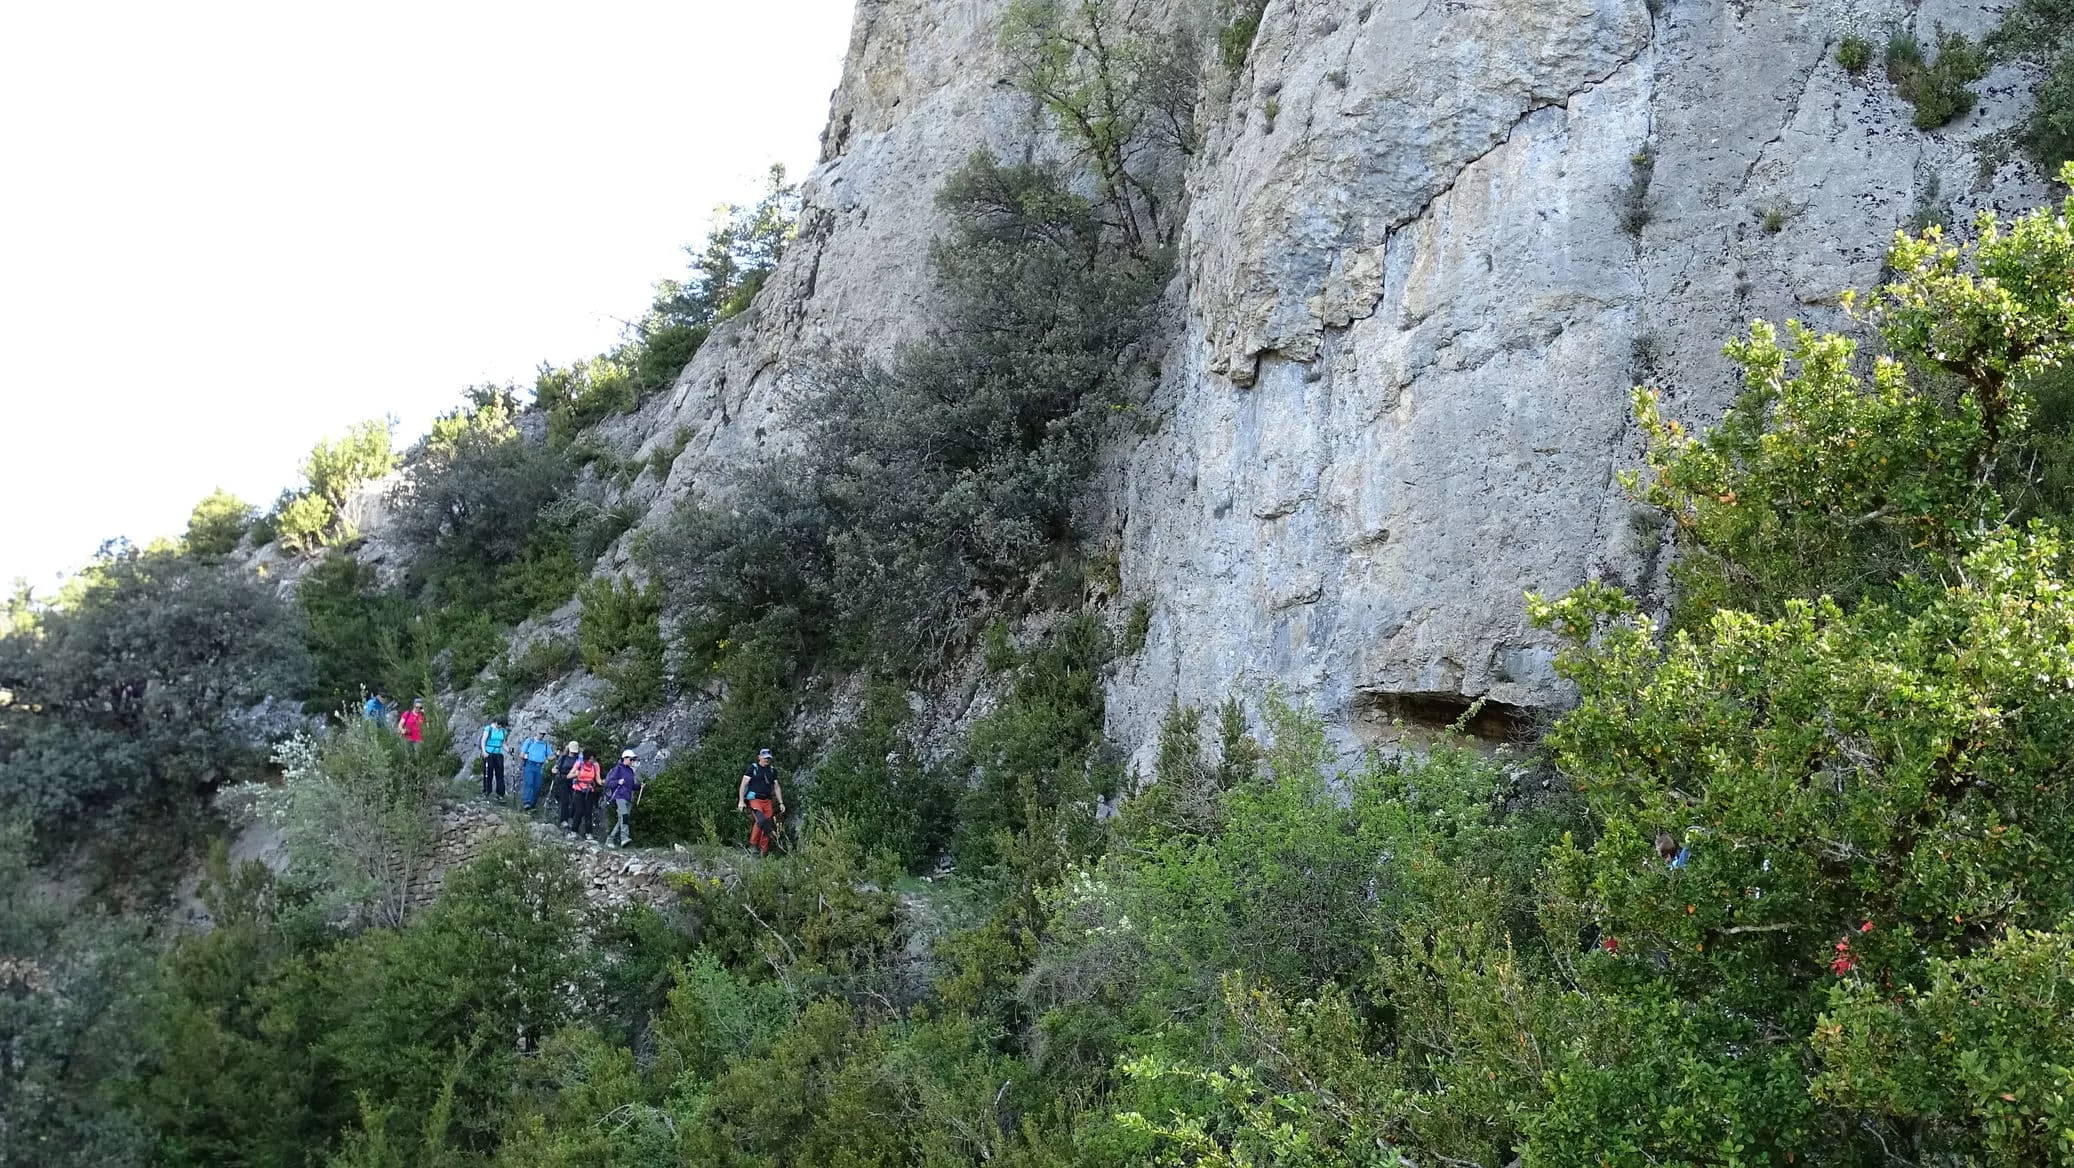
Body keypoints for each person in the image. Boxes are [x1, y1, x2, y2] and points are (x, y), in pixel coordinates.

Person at [737, 748, 785, 856]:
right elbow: (743, 784)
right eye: (765, 758)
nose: (766, 760)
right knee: (761, 820)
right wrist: (741, 801)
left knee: (767, 825)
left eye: (768, 758)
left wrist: (781, 802)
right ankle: (753, 845)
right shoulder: (753, 768)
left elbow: (776, 787)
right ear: (759, 757)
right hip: (754, 799)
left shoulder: (772, 770)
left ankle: (764, 851)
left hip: (767, 800)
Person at [603, 750, 643, 847]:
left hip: (627, 797)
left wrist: (639, 786)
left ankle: (610, 839)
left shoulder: (630, 771)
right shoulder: (618, 769)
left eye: (633, 759)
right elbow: (608, 783)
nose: (632, 761)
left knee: (622, 819)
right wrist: (618, 782)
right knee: (624, 816)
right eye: (631, 759)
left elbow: (631, 786)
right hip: (619, 796)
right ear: (625, 758)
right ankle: (624, 838)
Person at [568, 750, 603, 841]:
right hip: (578, 790)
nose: (591, 761)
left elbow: (598, 779)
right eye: (590, 759)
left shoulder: (595, 766)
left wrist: (605, 782)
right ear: (586, 758)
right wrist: (576, 774)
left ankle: (588, 833)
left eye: (593, 758)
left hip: (589, 790)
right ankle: (573, 831)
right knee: (579, 811)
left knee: (588, 812)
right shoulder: (579, 763)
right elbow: (569, 776)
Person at [517, 728, 553, 811]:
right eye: (540, 733)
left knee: (537, 785)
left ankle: (533, 805)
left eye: (543, 734)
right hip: (530, 764)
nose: (542, 736)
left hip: (539, 766)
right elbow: (522, 754)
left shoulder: (545, 744)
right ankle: (527, 802)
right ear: (536, 733)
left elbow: (549, 756)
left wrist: (556, 755)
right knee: (529, 783)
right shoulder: (529, 741)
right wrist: (529, 757)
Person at [552, 741, 582, 828]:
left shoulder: (579, 759)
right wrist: (555, 769)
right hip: (563, 779)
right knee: (565, 801)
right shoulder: (563, 757)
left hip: (574, 780)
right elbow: (557, 765)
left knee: (574, 801)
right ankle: (563, 820)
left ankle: (571, 818)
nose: (573, 753)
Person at [479, 717, 509, 801]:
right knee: (488, 774)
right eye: (499, 724)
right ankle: (486, 791)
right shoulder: (488, 729)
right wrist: (484, 751)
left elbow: (503, 743)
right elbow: (483, 741)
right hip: (489, 754)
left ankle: (500, 794)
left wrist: (508, 750)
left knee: (500, 775)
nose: (500, 726)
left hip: (498, 754)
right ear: (496, 722)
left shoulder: (503, 731)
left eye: (502, 725)